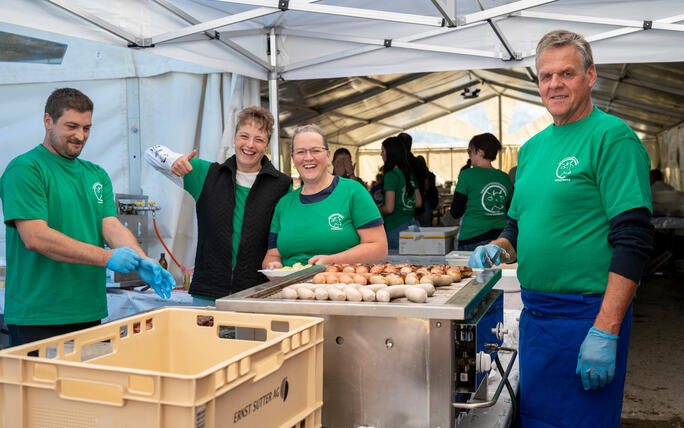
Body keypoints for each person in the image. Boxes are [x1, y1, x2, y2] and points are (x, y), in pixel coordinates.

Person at [468, 30, 653, 427]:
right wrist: (495, 250)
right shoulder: (532, 149)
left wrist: (606, 328)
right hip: (537, 319)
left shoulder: (612, 137)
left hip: (587, 317)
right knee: (534, 419)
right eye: (545, 75)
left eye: (566, 73)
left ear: (590, 76)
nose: (554, 84)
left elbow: (634, 239)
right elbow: (515, 232)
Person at [0, 88, 174, 347]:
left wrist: (140, 259)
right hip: (38, 315)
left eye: (87, 128)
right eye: (71, 126)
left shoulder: (96, 174)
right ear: (48, 121)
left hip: (88, 311)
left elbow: (111, 226)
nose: (80, 136)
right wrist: (108, 257)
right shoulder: (26, 169)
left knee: (89, 388)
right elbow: (35, 237)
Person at [145, 107, 291, 306]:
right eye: (244, 136)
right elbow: (151, 153)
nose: (250, 145)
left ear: (267, 145)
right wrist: (172, 160)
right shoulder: (208, 174)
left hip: (257, 294)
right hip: (208, 293)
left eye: (259, 139)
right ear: (234, 138)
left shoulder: (281, 185)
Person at [263, 125, 387, 267]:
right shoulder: (284, 204)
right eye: (300, 152)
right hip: (290, 287)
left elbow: (379, 248)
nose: (308, 158)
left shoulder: (353, 192)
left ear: (328, 156)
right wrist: (272, 265)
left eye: (315, 150)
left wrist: (332, 261)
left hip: (341, 285)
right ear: (293, 158)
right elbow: (272, 254)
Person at [450, 133, 512, 250]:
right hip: (501, 239)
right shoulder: (504, 177)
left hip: (473, 239)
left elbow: (456, 212)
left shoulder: (467, 175)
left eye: (470, 152)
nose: (469, 156)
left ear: (480, 152)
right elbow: (510, 210)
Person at [378, 136, 422, 249]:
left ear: (390, 153)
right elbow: (418, 203)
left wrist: (377, 209)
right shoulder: (409, 173)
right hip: (413, 226)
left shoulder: (391, 175)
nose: (381, 154)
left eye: (383, 151)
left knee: (395, 265)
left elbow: (389, 208)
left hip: (396, 228)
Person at [417, 155, 439, 227]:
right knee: (426, 222)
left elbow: (426, 187)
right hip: (428, 199)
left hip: (426, 199)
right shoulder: (430, 174)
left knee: (424, 223)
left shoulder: (422, 174)